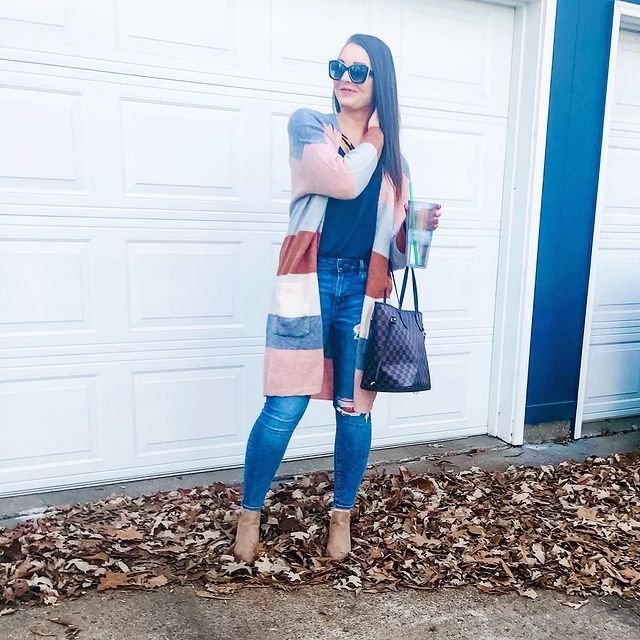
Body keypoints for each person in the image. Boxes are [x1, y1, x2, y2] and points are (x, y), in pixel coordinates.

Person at [232, 34, 441, 563]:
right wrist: (378, 136)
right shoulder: (310, 127)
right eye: (338, 67)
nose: (344, 77)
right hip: (310, 280)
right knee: (284, 405)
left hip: (364, 290)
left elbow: (402, 256)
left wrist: (417, 232)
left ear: (380, 82)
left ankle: (341, 515)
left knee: (353, 410)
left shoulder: (396, 163)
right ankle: (250, 513)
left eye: (358, 71)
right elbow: (343, 181)